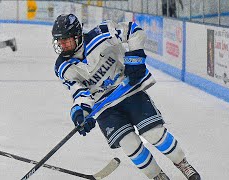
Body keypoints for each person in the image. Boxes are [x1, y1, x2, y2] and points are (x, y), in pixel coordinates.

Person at [51, 14, 201, 180]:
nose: (61, 45)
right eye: (59, 41)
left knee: (154, 134)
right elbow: (79, 92)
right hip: (104, 108)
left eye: (65, 40)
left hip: (129, 92)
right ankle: (157, 176)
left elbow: (134, 31)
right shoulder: (63, 67)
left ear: (77, 36)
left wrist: (135, 57)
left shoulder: (101, 34)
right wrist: (80, 113)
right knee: (130, 145)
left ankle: (182, 163)